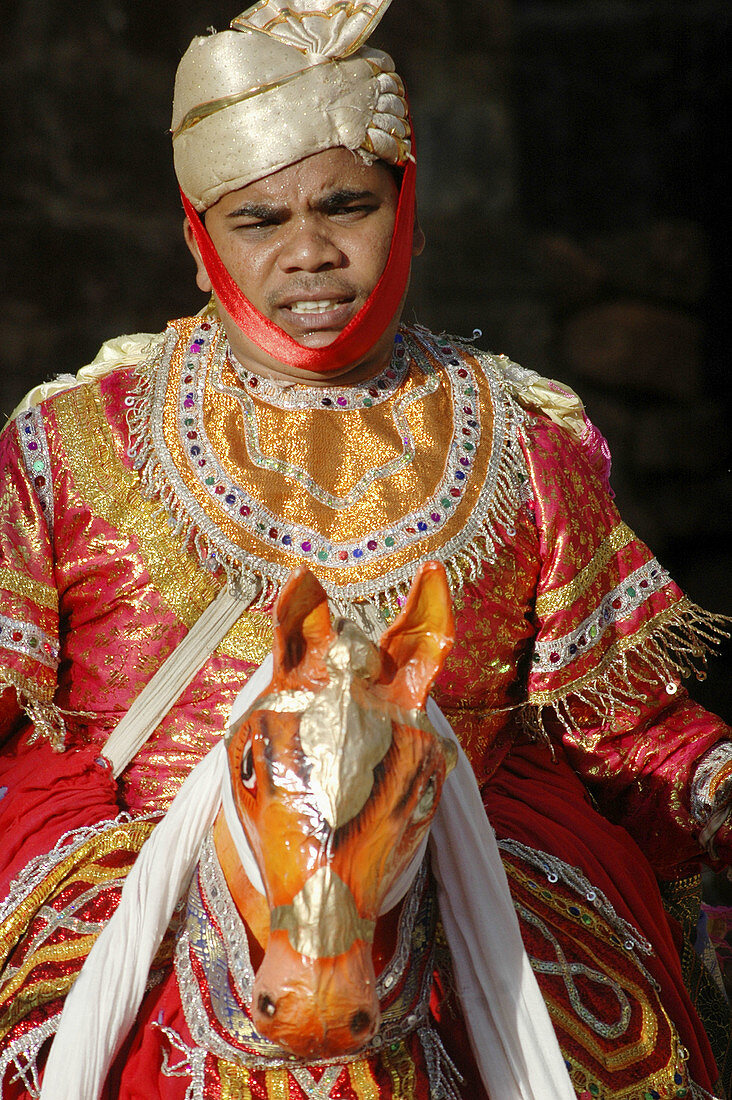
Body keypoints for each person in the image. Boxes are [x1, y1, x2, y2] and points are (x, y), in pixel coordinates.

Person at [0, 1, 730, 1097]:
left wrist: (714, 781)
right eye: (259, 219)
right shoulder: (69, 440)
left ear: (412, 210)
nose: (308, 250)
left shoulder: (529, 438)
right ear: (199, 240)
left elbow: (616, 722)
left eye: (347, 204)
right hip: (138, 899)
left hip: (471, 884)